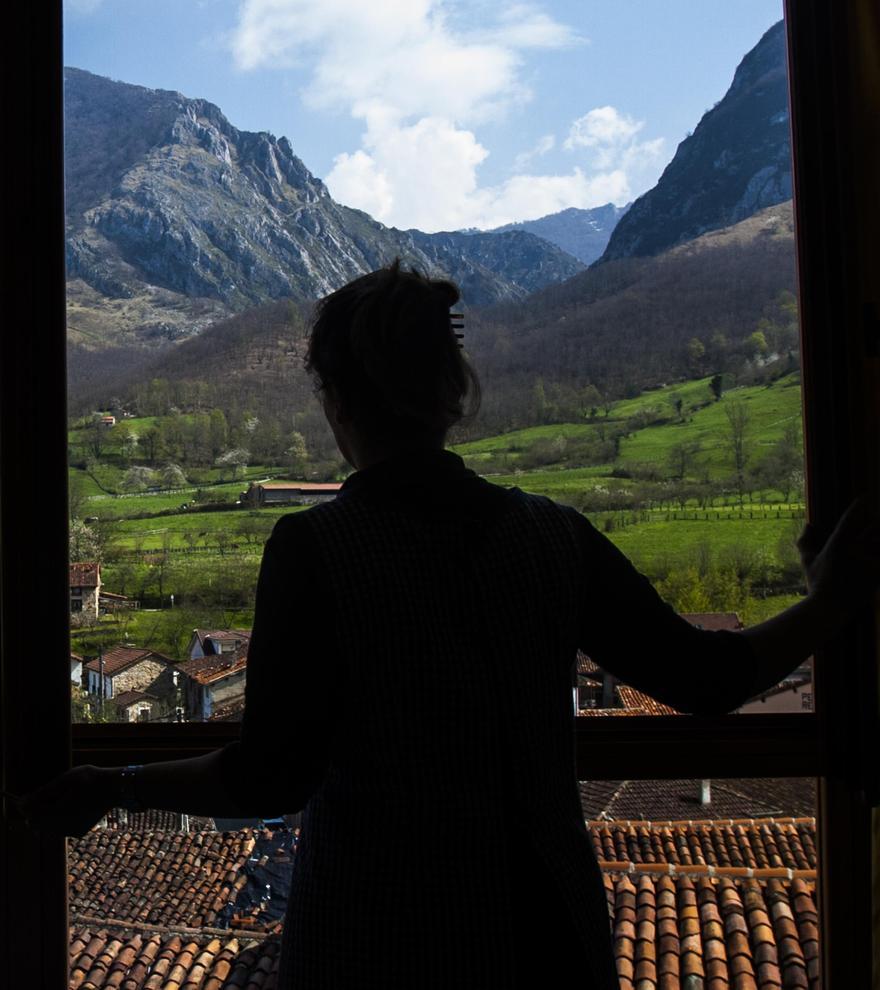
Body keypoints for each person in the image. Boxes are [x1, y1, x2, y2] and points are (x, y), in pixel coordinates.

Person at [18, 261, 880, 988]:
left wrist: (115, 783)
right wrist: (831, 600)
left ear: (336, 401)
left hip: (377, 939)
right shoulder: (552, 537)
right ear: (454, 392)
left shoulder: (318, 549)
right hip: (546, 936)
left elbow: (272, 776)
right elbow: (710, 679)